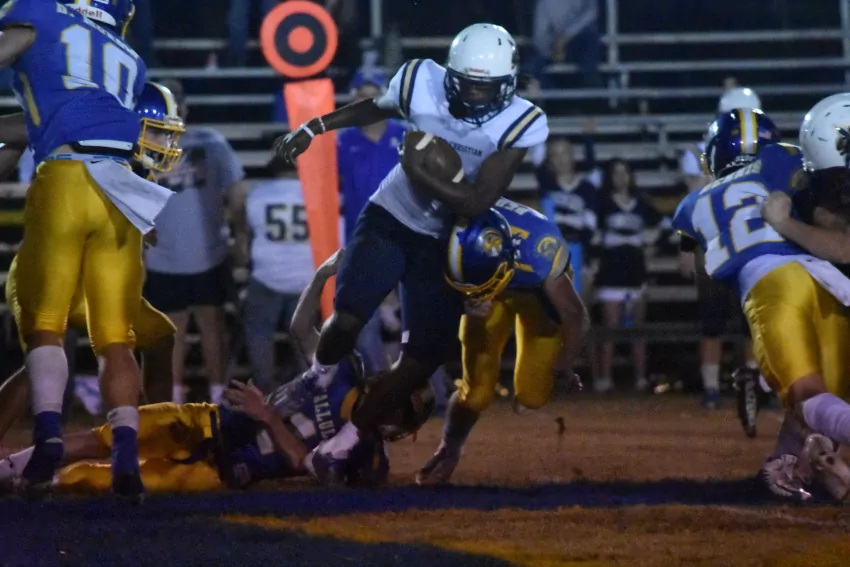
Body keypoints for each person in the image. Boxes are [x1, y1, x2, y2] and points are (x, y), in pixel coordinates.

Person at [274, 23, 548, 482]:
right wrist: (316, 126)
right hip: (391, 216)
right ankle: (317, 375)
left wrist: (422, 173)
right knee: (349, 315)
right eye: (468, 84)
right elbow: (375, 107)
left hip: (444, 241)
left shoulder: (522, 121)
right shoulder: (421, 79)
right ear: (451, 75)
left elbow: (478, 201)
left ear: (508, 83)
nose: (475, 95)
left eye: (486, 87)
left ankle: (343, 444)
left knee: (422, 360)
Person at [0, 251, 434, 493]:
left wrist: (268, 417)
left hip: (227, 469)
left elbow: (317, 470)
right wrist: (321, 275)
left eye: (404, 412)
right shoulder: (344, 371)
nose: (393, 412)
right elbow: (301, 328)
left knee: (95, 481)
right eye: (398, 400)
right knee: (109, 438)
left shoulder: (367, 454)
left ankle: (34, 482)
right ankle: (8, 468)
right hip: (212, 421)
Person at [0, 0, 177, 501]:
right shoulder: (127, 57)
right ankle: (126, 455)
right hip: (120, 190)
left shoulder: (44, 18)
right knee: (116, 338)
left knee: (45, 326)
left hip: (66, 177)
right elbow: (38, 120)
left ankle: (48, 439)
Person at [672, 98, 850, 502]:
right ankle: (787, 468)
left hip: (771, 285)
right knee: (825, 407)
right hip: (828, 283)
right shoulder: (785, 159)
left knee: (807, 398)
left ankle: (804, 465)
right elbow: (827, 220)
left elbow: (703, 278)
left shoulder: (690, 205)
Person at [0, 81, 187, 443]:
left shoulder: (132, 168)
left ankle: (157, 434)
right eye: (156, 132)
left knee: (160, 336)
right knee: (41, 366)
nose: (164, 143)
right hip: (45, 274)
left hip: (91, 286)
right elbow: (22, 128)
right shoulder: (83, 146)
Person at [416, 199, 587, 484]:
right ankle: (449, 447)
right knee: (475, 393)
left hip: (534, 296)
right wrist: (461, 301)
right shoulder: (444, 230)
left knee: (533, 395)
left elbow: (574, 313)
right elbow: (428, 288)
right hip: (487, 292)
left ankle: (533, 392)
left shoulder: (540, 251)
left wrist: (564, 366)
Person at [142, 79, 248, 406]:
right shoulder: (142, 145)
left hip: (208, 252)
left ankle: (217, 397)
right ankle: (174, 400)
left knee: (211, 325)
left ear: (186, 107)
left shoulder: (210, 142)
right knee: (173, 330)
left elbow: (237, 192)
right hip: (163, 255)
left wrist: (240, 237)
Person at [679, 87, 763, 409]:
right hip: (715, 242)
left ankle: (755, 385)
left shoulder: (764, 151)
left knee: (752, 320)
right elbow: (693, 203)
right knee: (712, 319)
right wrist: (687, 247)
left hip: (751, 242)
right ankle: (712, 387)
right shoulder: (702, 151)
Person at [337, 68, 406, 375]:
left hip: (405, 236)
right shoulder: (343, 141)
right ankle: (378, 385)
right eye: (360, 97)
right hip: (361, 239)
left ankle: (425, 389)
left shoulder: (406, 135)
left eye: (372, 96)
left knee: (411, 321)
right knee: (366, 324)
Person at [234, 154, 314, 392]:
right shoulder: (317, 193)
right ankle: (308, 390)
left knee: (259, 333)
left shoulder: (258, 194)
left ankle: (265, 390)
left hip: (267, 274)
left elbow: (244, 239)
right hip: (307, 277)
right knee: (304, 336)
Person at [591, 159, 665, 393]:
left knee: (638, 328)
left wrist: (654, 246)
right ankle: (605, 378)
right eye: (616, 173)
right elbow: (590, 233)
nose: (621, 177)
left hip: (635, 270)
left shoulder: (641, 202)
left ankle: (641, 378)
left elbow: (665, 225)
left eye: (625, 172)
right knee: (610, 328)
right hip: (611, 270)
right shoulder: (602, 203)